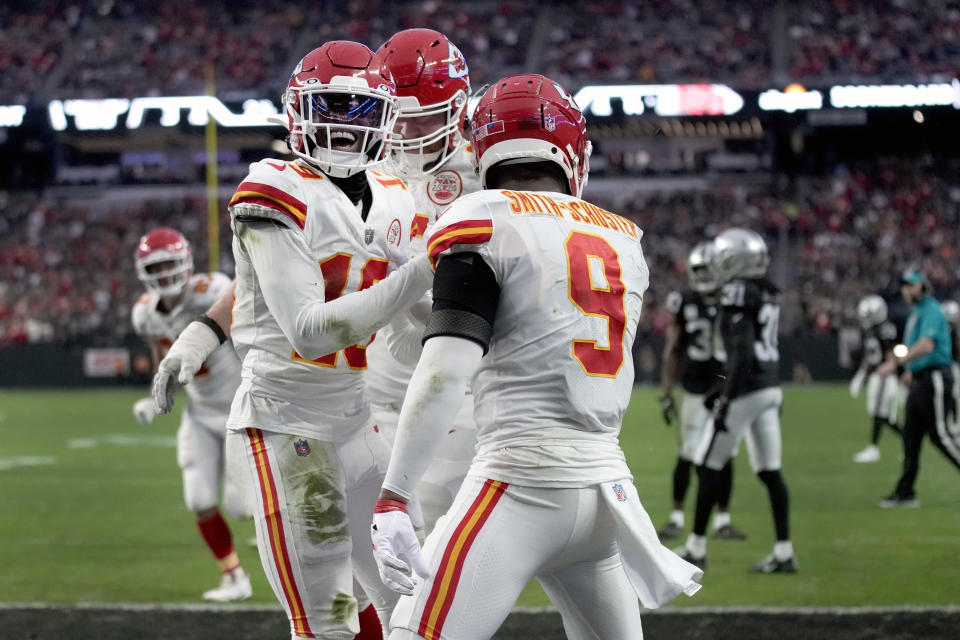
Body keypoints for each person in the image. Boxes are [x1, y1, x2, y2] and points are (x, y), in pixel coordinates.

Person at [368, 74, 702, 640]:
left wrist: (395, 494)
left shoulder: (481, 219)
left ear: (482, 151)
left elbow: (446, 369)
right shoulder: (625, 237)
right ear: (573, 154)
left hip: (517, 483)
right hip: (606, 494)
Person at [152, 41, 440, 639]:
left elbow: (405, 335)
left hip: (357, 420)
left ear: (385, 114)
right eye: (329, 106)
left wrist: (446, 326)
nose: (341, 124)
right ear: (297, 112)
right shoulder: (271, 190)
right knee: (328, 620)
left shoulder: (391, 193)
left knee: (412, 604)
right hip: (287, 428)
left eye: (357, 108)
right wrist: (420, 273)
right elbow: (309, 332)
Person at [367, 28, 482, 531]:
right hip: (373, 389)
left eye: (420, 120)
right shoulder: (366, 165)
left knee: (435, 541)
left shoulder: (486, 166)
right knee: (366, 550)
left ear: (458, 108)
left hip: (458, 389)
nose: (407, 135)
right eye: (397, 121)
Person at [131, 227, 252, 602]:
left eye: (171, 264)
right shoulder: (145, 314)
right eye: (158, 267)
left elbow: (249, 339)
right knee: (199, 500)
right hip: (199, 413)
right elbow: (161, 360)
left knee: (240, 506)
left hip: (239, 410)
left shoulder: (214, 290)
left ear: (185, 262)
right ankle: (235, 577)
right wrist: (155, 396)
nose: (166, 274)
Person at [678, 228, 798, 574]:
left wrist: (725, 395)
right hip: (770, 388)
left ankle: (696, 547)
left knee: (705, 463)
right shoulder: (767, 291)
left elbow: (741, 351)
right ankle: (784, 551)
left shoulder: (738, 290)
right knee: (770, 471)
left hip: (746, 390)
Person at [658, 241, 745, 541]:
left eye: (708, 269)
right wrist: (667, 391)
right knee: (687, 453)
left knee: (725, 453)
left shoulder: (733, 299)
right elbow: (673, 348)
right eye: (698, 270)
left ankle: (722, 520)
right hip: (695, 388)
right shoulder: (684, 300)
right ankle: (677, 516)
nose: (703, 275)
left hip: (724, 387)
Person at [876, 271, 960, 508]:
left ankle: (905, 491)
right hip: (920, 379)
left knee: (941, 435)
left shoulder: (931, 309)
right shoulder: (916, 312)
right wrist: (911, 371)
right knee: (910, 437)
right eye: (904, 286)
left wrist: (897, 363)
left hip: (935, 378)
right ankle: (905, 492)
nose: (906, 290)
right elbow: (919, 347)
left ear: (922, 287)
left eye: (911, 285)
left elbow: (927, 345)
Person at [849, 295, 902, 463]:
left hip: (885, 375)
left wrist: (893, 369)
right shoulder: (869, 331)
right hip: (876, 376)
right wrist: (860, 376)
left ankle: (874, 448)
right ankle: (908, 439)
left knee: (880, 413)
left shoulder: (885, 329)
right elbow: (870, 356)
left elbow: (891, 353)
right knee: (880, 414)